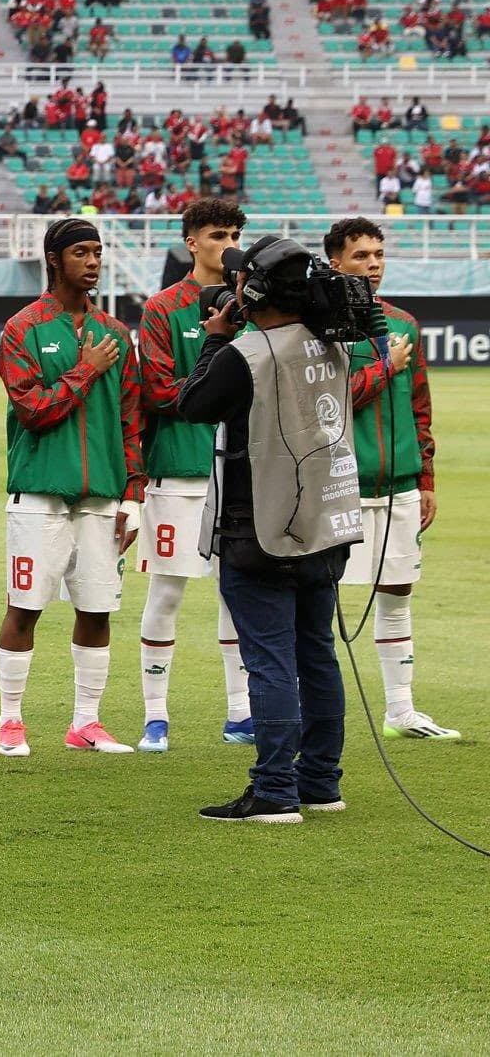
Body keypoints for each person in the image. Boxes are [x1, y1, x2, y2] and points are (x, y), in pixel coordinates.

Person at [175, 237, 362, 822]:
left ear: (253, 290)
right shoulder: (334, 344)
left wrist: (215, 337)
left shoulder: (246, 354)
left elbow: (191, 404)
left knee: (270, 659)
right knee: (317, 654)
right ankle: (321, 782)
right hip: (325, 522)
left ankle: (276, 789)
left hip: (260, 526)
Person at [0, 217, 144, 756]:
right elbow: (33, 409)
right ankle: (10, 721)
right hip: (39, 493)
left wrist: (133, 496)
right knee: (25, 607)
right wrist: (85, 370)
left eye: (98, 251)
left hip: (102, 496)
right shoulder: (22, 328)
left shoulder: (116, 333)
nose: (94, 261)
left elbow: (131, 420)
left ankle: (86, 722)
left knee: (97, 609)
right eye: (81, 252)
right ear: (54, 259)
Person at [324, 217, 454, 738]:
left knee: (398, 592)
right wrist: (385, 367)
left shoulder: (404, 323)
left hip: (399, 485)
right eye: (361, 256)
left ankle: (400, 711)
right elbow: (325, 405)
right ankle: (312, 711)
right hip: (339, 487)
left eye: (378, 255)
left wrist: (426, 479)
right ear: (335, 262)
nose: (373, 265)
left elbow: (420, 409)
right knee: (318, 601)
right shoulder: (319, 327)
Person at [134, 199, 256, 751]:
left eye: (234, 235)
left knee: (238, 595)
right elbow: (159, 391)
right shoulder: (163, 308)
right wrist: (220, 391)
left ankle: (241, 713)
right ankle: (155, 717)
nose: (227, 245)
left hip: (241, 471)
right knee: (167, 593)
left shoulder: (254, 303)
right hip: (179, 473)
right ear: (191, 242)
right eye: (216, 235)